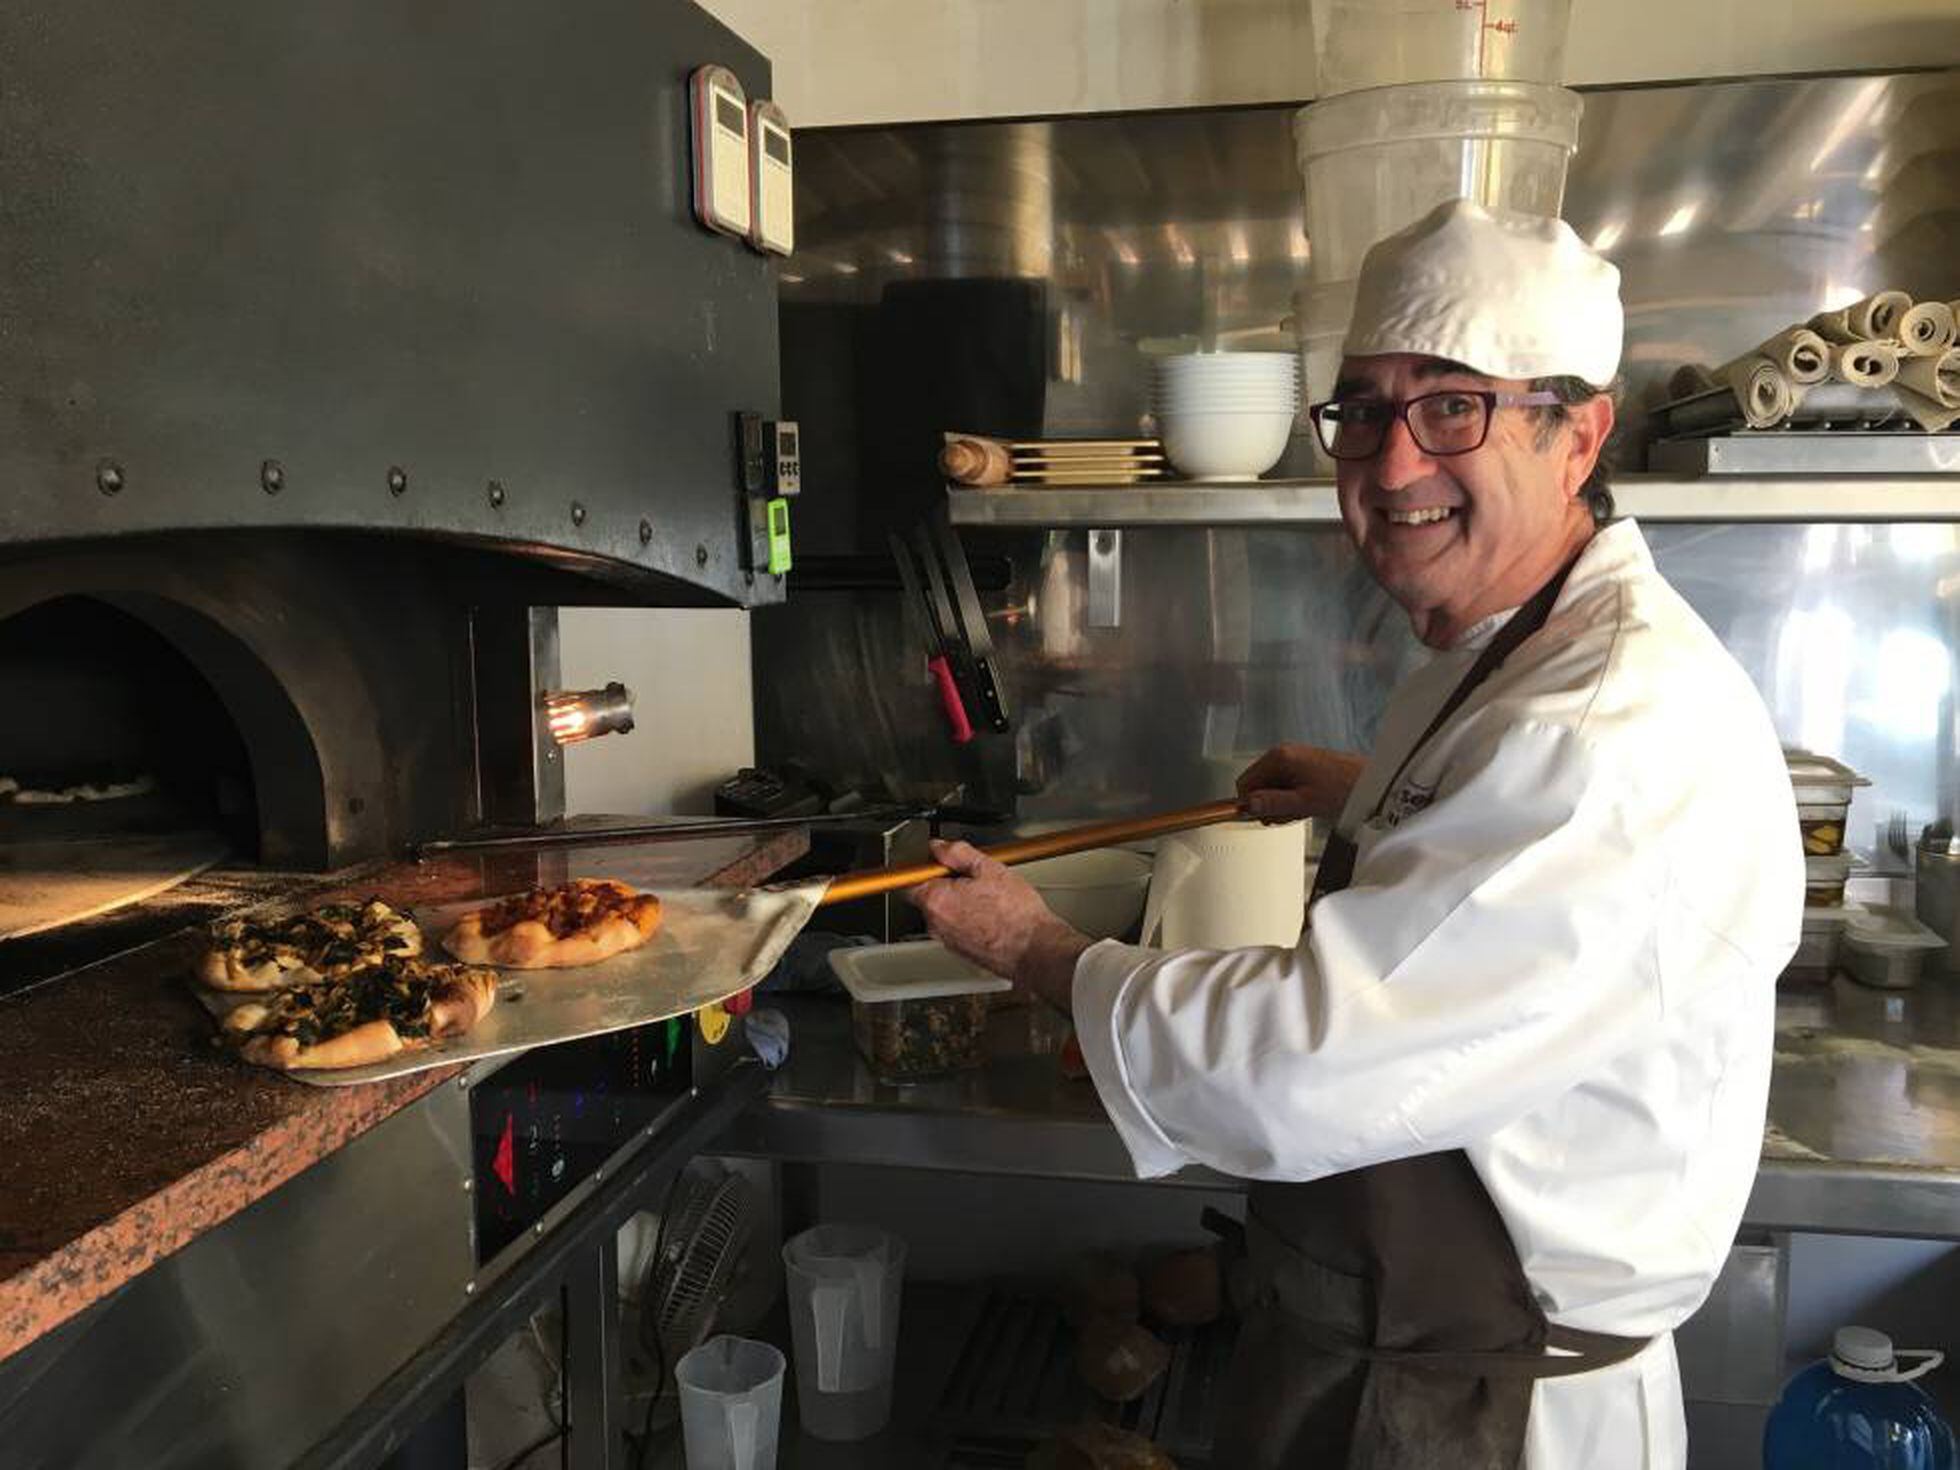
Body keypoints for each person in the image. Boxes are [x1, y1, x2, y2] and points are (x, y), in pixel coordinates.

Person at [911, 198, 1802, 1470]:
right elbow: (1501, 855)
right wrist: (1367, 785)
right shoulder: (1516, 647)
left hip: (1491, 1412)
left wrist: (1040, 952)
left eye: (1453, 407)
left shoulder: (1602, 733)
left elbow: (1304, 1066)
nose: (1391, 466)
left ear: (1577, 433)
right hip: (1409, 1354)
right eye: (1365, 412)